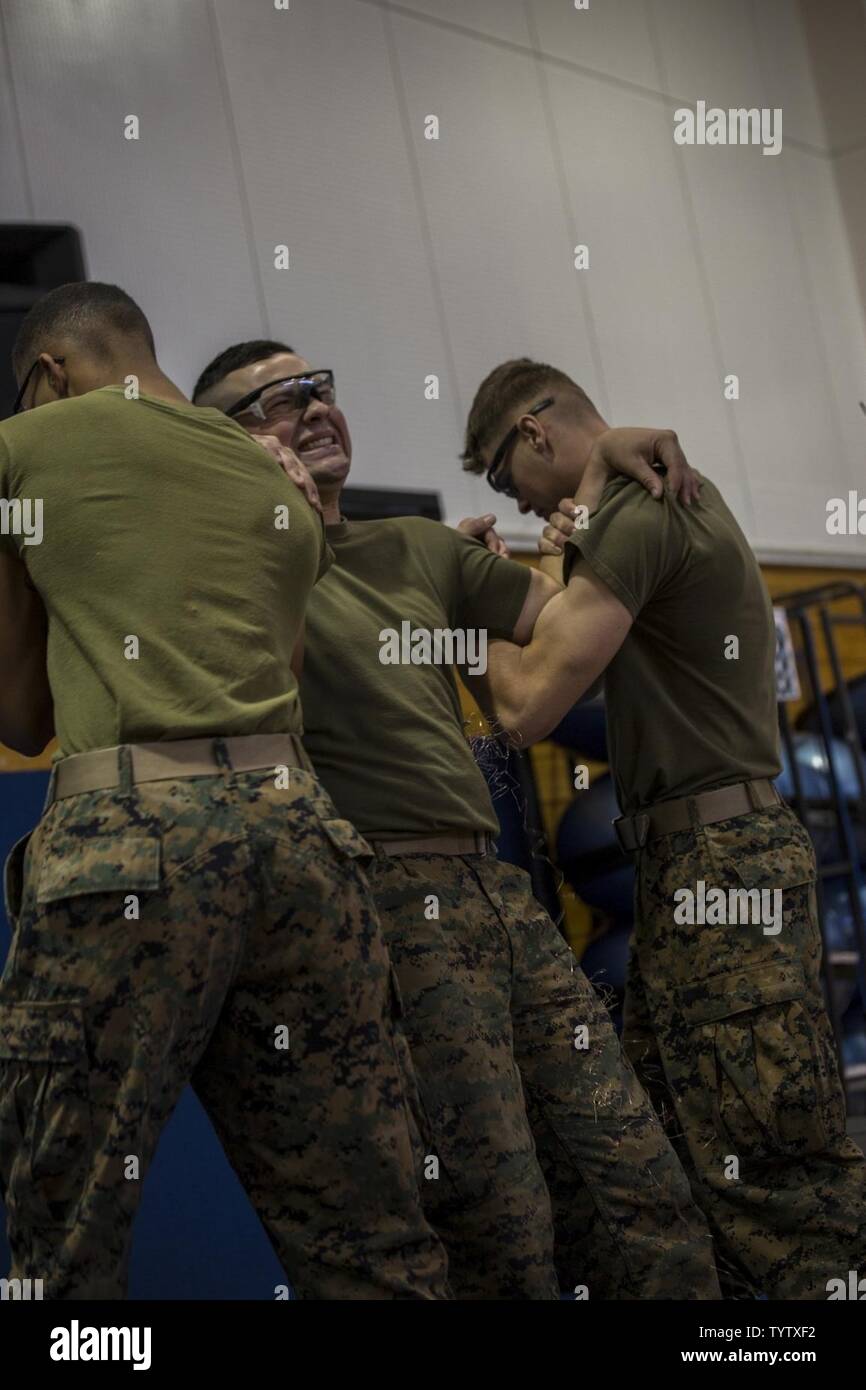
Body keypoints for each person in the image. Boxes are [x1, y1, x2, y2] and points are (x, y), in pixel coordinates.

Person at [194, 340, 721, 1300]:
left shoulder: (414, 549)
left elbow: (563, 628)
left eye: (324, 387)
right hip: (386, 910)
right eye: (280, 400)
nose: (315, 408)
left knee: (637, 1187)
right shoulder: (226, 576)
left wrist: (599, 472)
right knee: (497, 1220)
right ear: (224, 440)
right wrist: (267, 519)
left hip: (501, 899)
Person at [0, 283, 450, 1301]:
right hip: (303, 844)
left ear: (50, 372)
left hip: (131, 846)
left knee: (65, 1230)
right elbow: (280, 675)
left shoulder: (21, 449)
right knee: (367, 1223)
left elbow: (23, 714)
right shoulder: (275, 485)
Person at [459, 354, 866, 1299]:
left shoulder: (643, 513)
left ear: (534, 433)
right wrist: (579, 508)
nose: (513, 501)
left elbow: (522, 708)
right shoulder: (627, 507)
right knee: (678, 1155)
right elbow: (569, 617)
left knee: (773, 1173)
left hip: (724, 869)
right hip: (692, 869)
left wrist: (468, 597)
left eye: (499, 474)